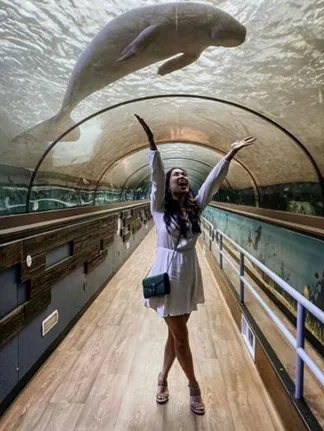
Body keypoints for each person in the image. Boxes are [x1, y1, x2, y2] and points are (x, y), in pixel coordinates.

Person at [135, 114, 256, 415]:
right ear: (168, 184)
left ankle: (162, 378)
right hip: (165, 276)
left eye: (184, 174)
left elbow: (213, 182)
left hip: (187, 275)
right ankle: (193, 386)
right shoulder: (159, 210)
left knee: (174, 335)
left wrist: (229, 154)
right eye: (176, 175)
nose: (181, 177)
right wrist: (152, 147)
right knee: (181, 337)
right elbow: (156, 176)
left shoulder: (194, 208)